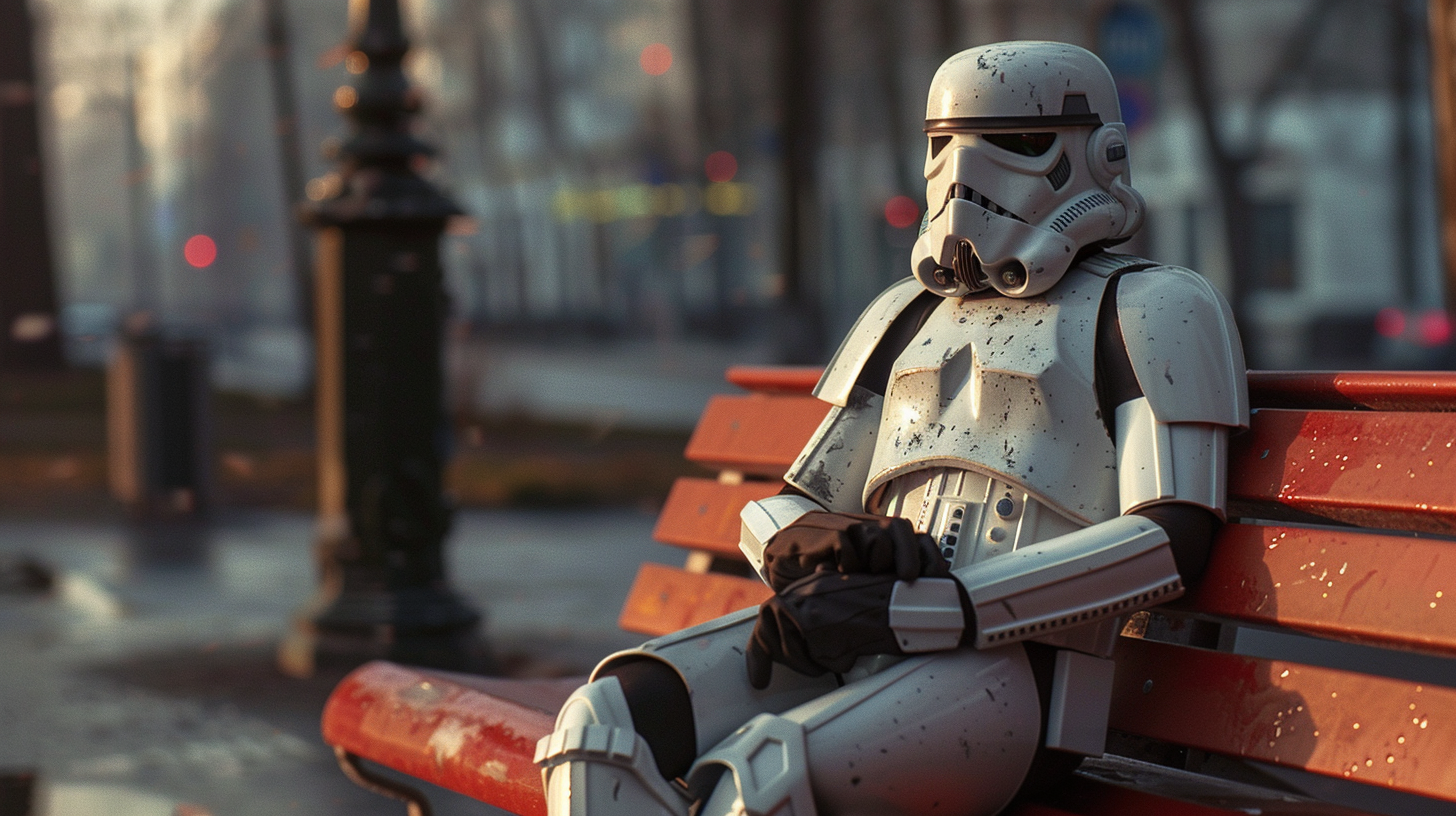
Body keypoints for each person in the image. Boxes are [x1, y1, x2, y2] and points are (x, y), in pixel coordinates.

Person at [534, 41, 1248, 816]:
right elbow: (794, 495)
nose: (966, 177)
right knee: (596, 728)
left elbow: (1171, 538)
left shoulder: (1151, 307)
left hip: (1015, 678)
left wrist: (932, 610)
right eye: (945, 147)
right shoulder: (905, 314)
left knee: (763, 779)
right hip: (858, 638)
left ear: (1100, 154)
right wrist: (799, 543)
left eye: (1012, 145)